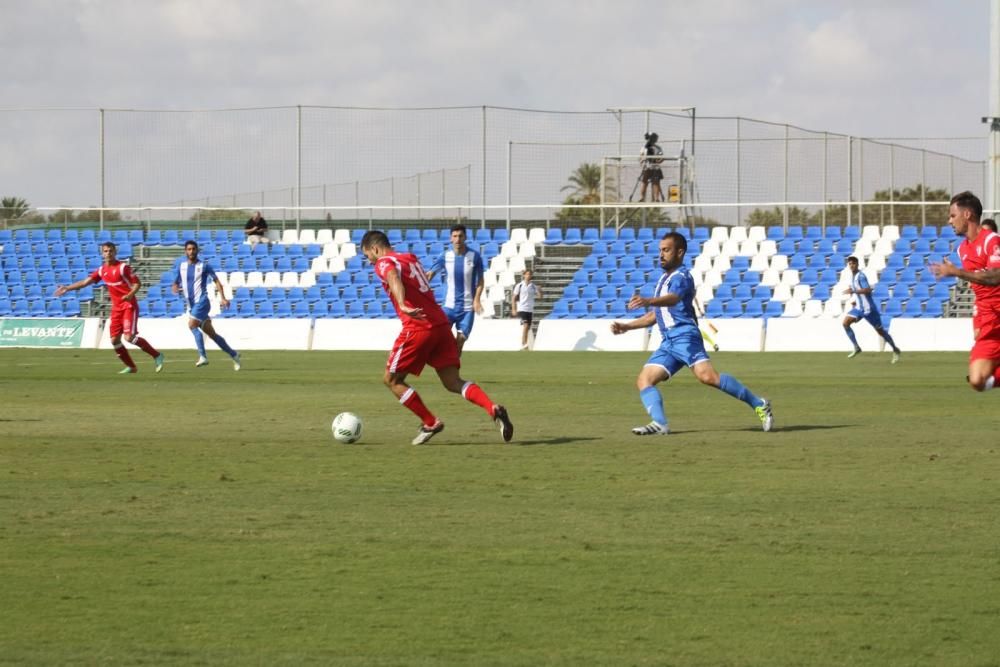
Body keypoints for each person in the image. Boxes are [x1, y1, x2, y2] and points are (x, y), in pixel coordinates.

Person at [610, 232, 773, 435]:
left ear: (680, 252)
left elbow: (674, 299)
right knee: (644, 380)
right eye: (660, 250)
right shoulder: (663, 278)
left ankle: (759, 404)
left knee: (708, 377)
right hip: (668, 341)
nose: (661, 254)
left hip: (685, 336)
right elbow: (657, 315)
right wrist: (627, 327)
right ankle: (660, 424)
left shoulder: (682, 277)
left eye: (666, 250)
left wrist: (648, 300)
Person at [361, 230, 514, 445]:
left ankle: (430, 422)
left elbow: (393, 277)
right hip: (441, 325)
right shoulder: (410, 258)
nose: (370, 261)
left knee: (392, 380)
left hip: (418, 327)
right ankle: (492, 407)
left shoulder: (384, 262)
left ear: (375, 249)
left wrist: (403, 303)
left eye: (368, 256)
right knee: (453, 381)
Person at [54, 241, 164, 374]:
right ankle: (131, 367)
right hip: (117, 308)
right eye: (105, 251)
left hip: (129, 305)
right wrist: (67, 288)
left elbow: (137, 284)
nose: (108, 253)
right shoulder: (102, 270)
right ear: (102, 253)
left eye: (111, 251)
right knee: (114, 340)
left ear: (115, 252)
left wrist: (130, 295)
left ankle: (157, 355)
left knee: (129, 337)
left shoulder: (123, 268)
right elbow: (85, 282)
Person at [928, 191, 1000, 391]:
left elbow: (996, 277)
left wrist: (957, 272)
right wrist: (977, 319)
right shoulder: (962, 249)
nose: (949, 221)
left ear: (967, 215)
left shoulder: (991, 240)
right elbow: (978, 287)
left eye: (952, 215)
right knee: (978, 381)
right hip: (988, 318)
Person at [172, 240, 242, 370]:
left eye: (193, 249)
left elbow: (217, 281)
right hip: (192, 305)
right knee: (212, 334)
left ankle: (203, 356)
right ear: (185, 251)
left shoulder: (204, 266)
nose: (191, 251)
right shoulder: (180, 266)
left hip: (202, 301)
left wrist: (223, 298)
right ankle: (234, 354)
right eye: (189, 249)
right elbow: (175, 281)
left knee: (192, 325)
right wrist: (175, 286)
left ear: (197, 250)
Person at [425, 224, 485, 355]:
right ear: (450, 238)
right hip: (449, 306)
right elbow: (430, 274)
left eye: (460, 236)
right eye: (455, 236)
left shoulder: (475, 256)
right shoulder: (445, 256)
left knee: (460, 341)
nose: (458, 239)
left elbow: (480, 280)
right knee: (440, 337)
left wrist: (477, 300)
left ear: (465, 237)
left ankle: (453, 372)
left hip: (467, 308)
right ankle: (445, 363)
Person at [841, 255, 901, 363]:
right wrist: (852, 292)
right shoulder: (852, 276)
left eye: (853, 263)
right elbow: (857, 289)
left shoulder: (861, 276)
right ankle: (856, 347)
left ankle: (895, 349)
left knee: (881, 332)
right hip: (859, 308)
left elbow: (868, 290)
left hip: (869, 310)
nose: (851, 265)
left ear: (857, 264)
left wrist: (854, 292)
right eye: (850, 264)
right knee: (845, 323)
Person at [511, 269, 542, 350]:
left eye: (530, 274)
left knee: (528, 327)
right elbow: (513, 298)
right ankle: (524, 343)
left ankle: (524, 344)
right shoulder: (519, 285)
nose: (528, 276)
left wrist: (539, 290)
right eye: (527, 274)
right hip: (522, 308)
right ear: (524, 275)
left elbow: (539, 297)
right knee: (526, 325)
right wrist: (514, 309)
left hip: (530, 309)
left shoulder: (533, 286)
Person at [638, 132, 664, 203]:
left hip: (655, 167)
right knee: (644, 182)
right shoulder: (644, 148)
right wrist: (643, 160)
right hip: (647, 167)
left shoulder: (658, 148)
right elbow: (641, 157)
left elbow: (661, 158)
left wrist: (657, 160)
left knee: (656, 182)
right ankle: (642, 198)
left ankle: (656, 198)